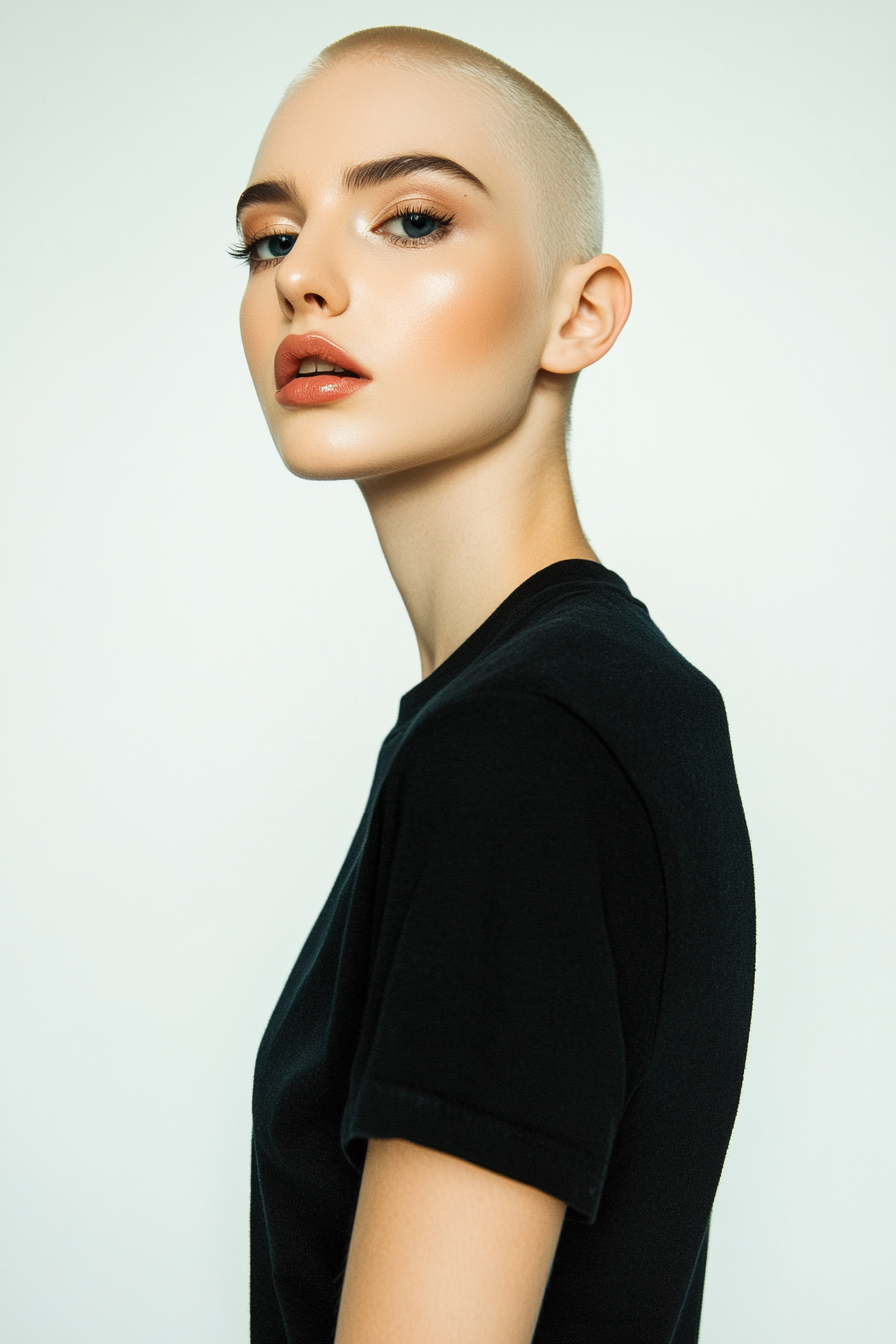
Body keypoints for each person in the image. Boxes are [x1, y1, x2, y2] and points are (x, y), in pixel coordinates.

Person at [234, 26, 754, 1344]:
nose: (305, 282)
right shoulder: (619, 698)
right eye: (270, 240)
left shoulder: (521, 746)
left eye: (411, 220)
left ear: (580, 313)